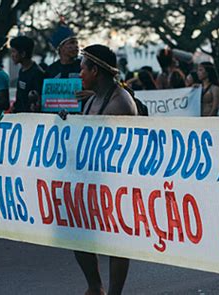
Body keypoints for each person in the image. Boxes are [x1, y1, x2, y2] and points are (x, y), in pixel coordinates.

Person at [77, 44, 137, 295]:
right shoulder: (91, 99)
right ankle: (94, 286)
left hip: (115, 183)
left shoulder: (121, 102)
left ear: (95, 71)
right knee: (77, 236)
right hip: (91, 178)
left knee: (115, 241)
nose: (79, 73)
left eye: (83, 69)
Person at [10, 36, 45, 113]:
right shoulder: (21, 70)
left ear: (23, 54)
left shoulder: (37, 73)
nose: (12, 55)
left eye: (13, 52)